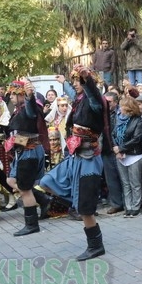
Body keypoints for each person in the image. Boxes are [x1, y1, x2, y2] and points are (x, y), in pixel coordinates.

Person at [40, 67, 107, 261]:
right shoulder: (78, 101)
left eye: (79, 81)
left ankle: (96, 246)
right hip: (75, 157)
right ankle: (75, 201)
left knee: (86, 210)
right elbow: (74, 92)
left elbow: (93, 94)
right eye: (75, 80)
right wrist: (65, 83)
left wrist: (87, 80)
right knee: (46, 182)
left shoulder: (95, 102)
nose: (76, 83)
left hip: (89, 160)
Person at [7, 80, 48, 236]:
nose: (10, 96)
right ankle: (43, 200)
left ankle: (31, 224)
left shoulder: (30, 108)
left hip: (29, 151)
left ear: (20, 95)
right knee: (11, 181)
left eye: (13, 94)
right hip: (22, 151)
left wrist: (29, 95)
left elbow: (31, 110)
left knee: (24, 190)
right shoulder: (17, 109)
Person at [112, 96, 142, 218]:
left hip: (134, 155)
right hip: (120, 155)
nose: (120, 108)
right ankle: (128, 206)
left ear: (128, 108)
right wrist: (116, 149)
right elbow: (113, 134)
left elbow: (137, 138)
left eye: (122, 106)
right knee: (125, 183)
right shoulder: (118, 119)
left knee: (135, 183)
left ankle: (135, 206)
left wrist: (121, 148)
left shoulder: (137, 120)